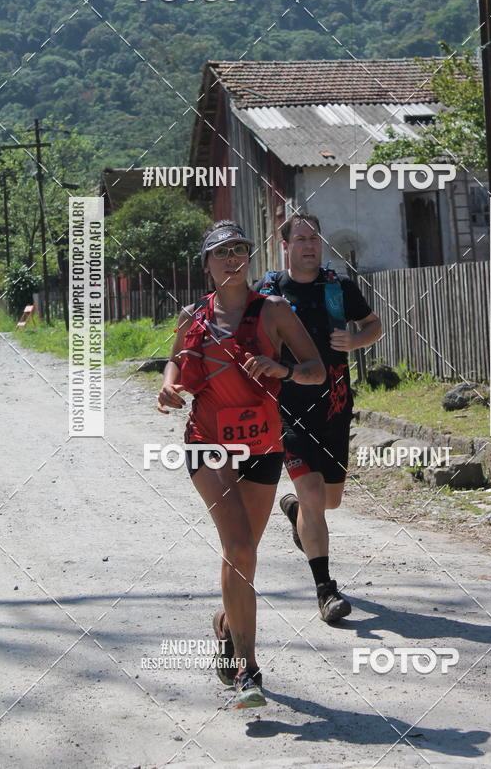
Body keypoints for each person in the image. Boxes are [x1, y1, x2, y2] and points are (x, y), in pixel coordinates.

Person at [157, 220, 324, 709]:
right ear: (206, 263)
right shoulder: (194, 315)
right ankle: (248, 670)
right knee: (238, 546)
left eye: (240, 250)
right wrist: (168, 387)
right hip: (208, 444)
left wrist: (283, 369)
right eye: (222, 252)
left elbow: (316, 372)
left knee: (243, 555)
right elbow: (173, 362)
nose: (233, 258)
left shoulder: (273, 311)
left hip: (263, 446)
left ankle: (227, 625)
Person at [254, 213, 382, 624]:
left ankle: (295, 514)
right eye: (302, 238)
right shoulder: (269, 292)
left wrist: (358, 339)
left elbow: (374, 324)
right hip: (286, 409)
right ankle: (326, 592)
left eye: (315, 238)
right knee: (312, 495)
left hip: (334, 406)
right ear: (285, 245)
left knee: (328, 501)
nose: (310, 245)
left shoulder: (338, 287)